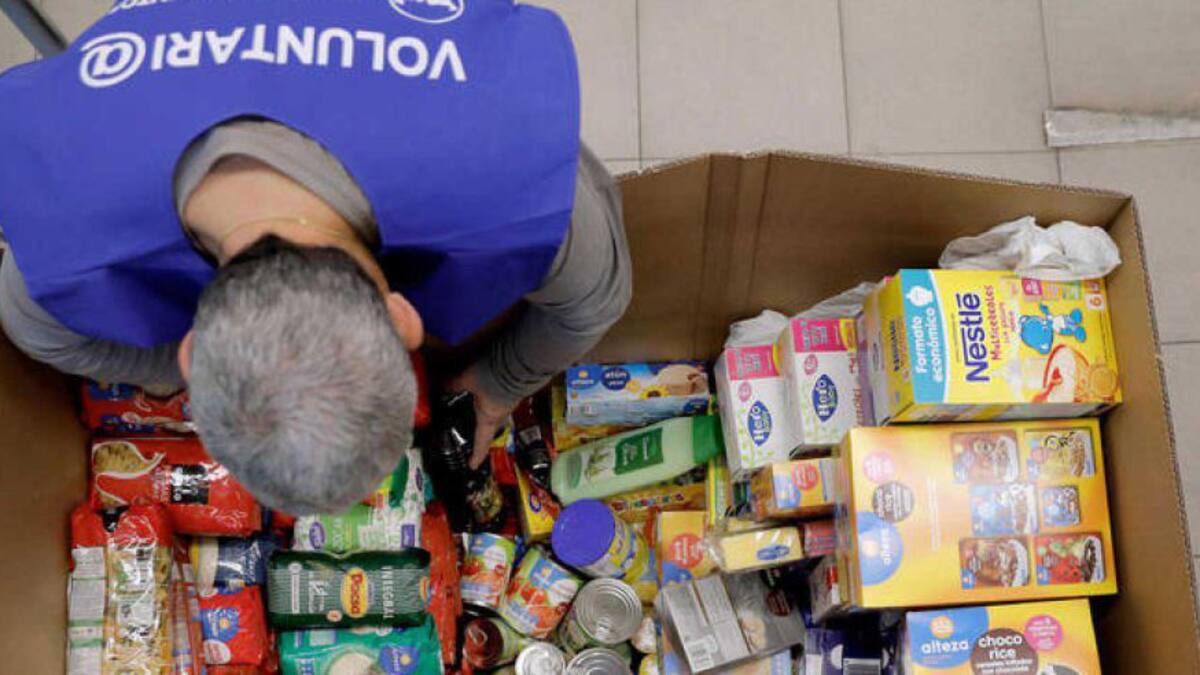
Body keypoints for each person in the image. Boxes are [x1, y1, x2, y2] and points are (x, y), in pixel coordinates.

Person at [0, 2, 630, 516]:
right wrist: (494, 383)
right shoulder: (67, 233)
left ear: (407, 323)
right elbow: (30, 326)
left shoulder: (506, 179)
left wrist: (498, 388)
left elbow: (595, 298)